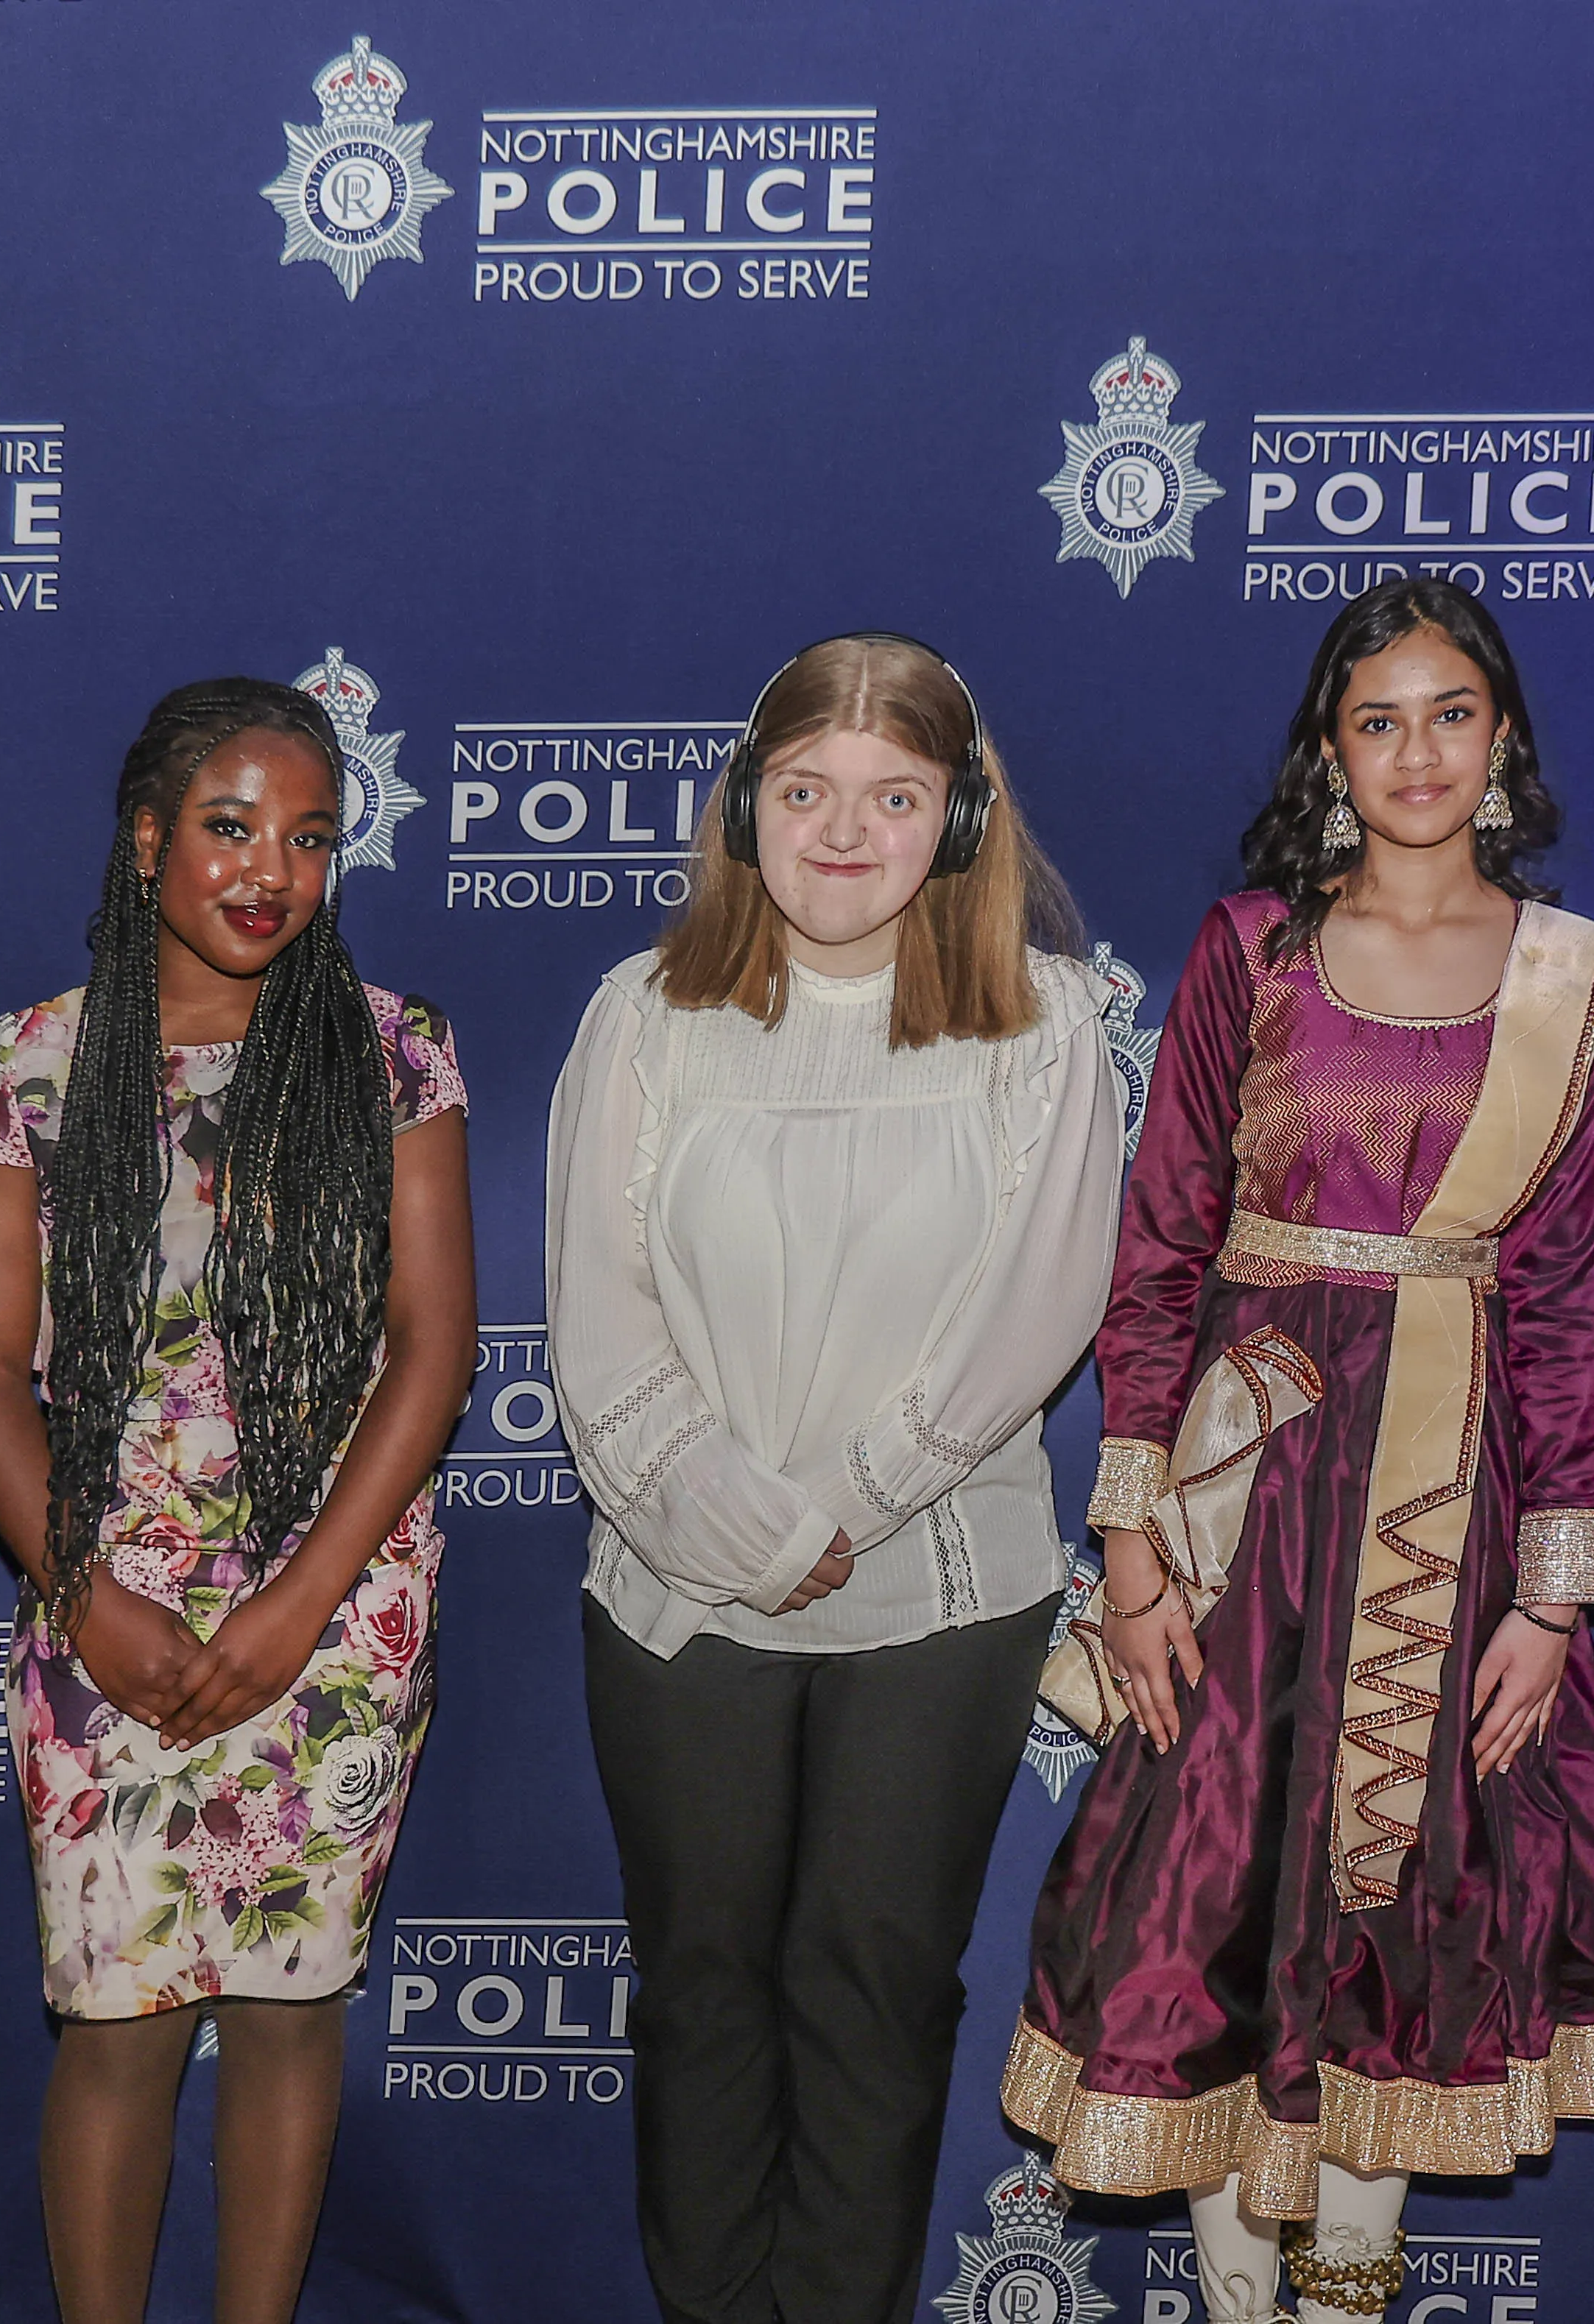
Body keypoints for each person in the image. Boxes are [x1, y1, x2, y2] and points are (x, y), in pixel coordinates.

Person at [1011, 576, 1594, 2324]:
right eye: (1376, 717)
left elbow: (1564, 1302)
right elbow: (1161, 1252)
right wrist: (1135, 1539)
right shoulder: (1249, 948)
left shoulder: (1567, 981)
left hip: (1439, 1520)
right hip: (1244, 1517)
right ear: (1332, 747)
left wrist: (1549, 1599)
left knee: (1409, 1912)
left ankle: (1348, 2298)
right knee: (1213, 1903)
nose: (1415, 750)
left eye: (1448, 711)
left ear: (1504, 739)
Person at [549, 633, 1124, 2324]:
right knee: (704, 1987)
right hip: (678, 1590)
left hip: (938, 1594)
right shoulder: (643, 1019)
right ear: (748, 808)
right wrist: (735, 1520)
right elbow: (596, 1316)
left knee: (871, 1989)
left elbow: (1036, 1307)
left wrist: (842, 1511)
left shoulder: (1044, 1026)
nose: (845, 833)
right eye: (805, 793)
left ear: (959, 823)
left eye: (894, 796)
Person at [0, 677, 475, 2324]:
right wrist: (86, 1596)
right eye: (232, 827)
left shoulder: (394, 1050)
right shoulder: (29, 1067)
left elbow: (433, 1349)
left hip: (336, 1603)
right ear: (150, 836)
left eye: (310, 837)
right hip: (98, 1600)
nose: (271, 870)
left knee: (296, 2013)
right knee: (121, 2021)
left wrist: (301, 1601)